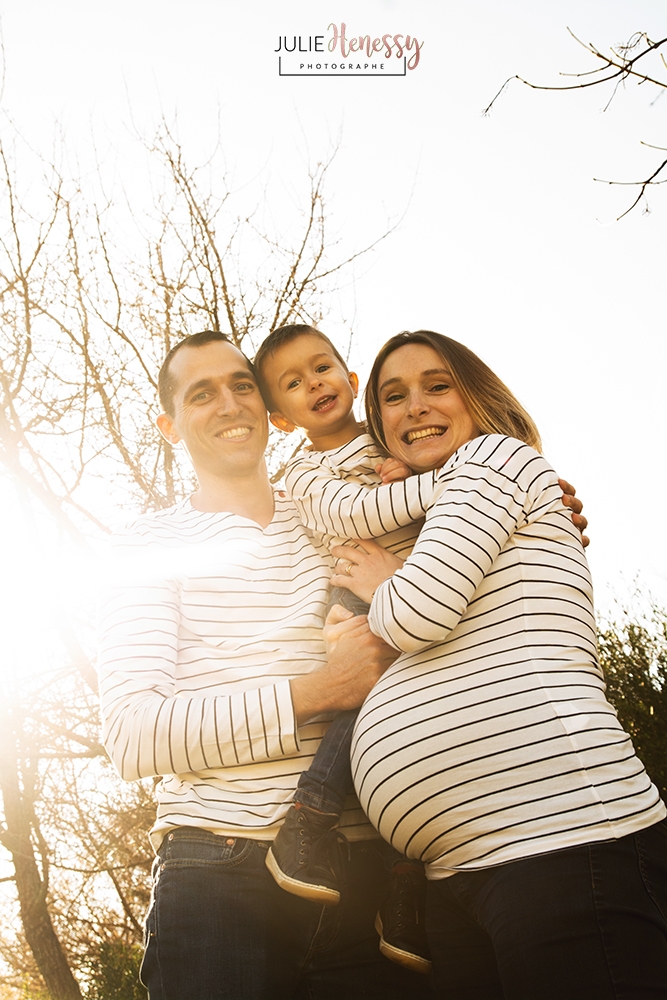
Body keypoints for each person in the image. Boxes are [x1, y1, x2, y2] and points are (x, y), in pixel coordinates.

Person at [330, 330, 667, 1000]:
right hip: (457, 871)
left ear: (477, 396)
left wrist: (382, 583)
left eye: (436, 384)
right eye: (391, 397)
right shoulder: (443, 503)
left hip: (562, 836)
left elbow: (415, 613)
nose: (413, 406)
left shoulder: (491, 457)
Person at [97, 331, 435, 1000]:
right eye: (202, 394)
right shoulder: (146, 543)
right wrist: (318, 691)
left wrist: (533, 505)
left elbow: (441, 543)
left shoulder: (325, 507)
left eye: (241, 384)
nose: (228, 403)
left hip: (363, 871)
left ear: (266, 404)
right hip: (218, 869)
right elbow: (134, 734)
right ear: (169, 426)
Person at [253, 323, 591, 981]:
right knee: (368, 697)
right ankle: (310, 815)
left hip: (417, 591)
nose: (313, 384)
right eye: (292, 383)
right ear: (279, 416)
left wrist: (503, 483)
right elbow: (354, 516)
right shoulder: (304, 472)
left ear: (352, 382)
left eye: (322, 368)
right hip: (358, 593)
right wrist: (458, 477)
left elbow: (469, 506)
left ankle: (403, 894)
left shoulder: (388, 442)